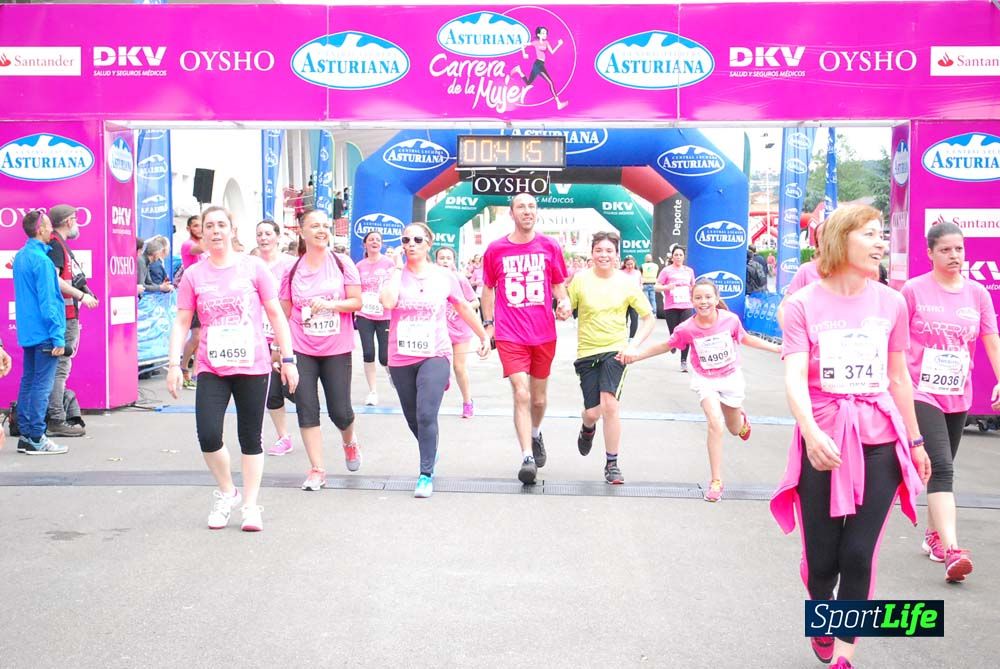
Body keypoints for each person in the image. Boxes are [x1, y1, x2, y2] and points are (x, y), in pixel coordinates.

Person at [769, 204, 930, 668]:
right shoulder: (802, 305)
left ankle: (843, 655)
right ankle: (821, 614)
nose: (882, 243)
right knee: (823, 564)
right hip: (825, 441)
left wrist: (916, 443)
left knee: (858, 554)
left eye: (883, 235)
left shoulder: (892, 301)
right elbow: (795, 377)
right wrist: (810, 432)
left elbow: (899, 378)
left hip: (880, 438)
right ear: (840, 239)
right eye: (872, 234)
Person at [167, 205, 298, 532]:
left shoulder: (253, 267)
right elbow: (182, 320)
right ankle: (227, 491)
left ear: (232, 230)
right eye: (209, 226)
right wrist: (173, 365)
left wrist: (289, 358)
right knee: (208, 434)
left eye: (221, 225)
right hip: (212, 365)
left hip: (253, 364)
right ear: (202, 233)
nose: (215, 231)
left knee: (250, 437)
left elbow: (275, 314)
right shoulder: (195, 275)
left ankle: (251, 505)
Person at [902, 221, 1000, 583]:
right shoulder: (913, 290)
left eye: (959, 249)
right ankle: (954, 550)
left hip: (958, 392)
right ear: (930, 253)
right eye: (945, 249)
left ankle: (933, 536)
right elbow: (895, 340)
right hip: (919, 389)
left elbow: (991, 337)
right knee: (942, 466)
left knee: (940, 468)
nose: (954, 255)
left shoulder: (977, 294)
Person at [621, 278, 780, 500]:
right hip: (705, 380)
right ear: (692, 300)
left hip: (731, 378)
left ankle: (741, 420)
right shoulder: (686, 328)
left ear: (716, 299)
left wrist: (778, 348)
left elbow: (747, 339)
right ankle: (716, 481)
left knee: (735, 429)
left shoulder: (730, 320)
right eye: (698, 298)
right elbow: (666, 346)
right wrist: (636, 356)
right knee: (715, 423)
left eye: (707, 297)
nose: (703, 302)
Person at [381, 223, 489, 498]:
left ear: (429, 243)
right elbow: (388, 302)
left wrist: (483, 336)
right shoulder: (395, 274)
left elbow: (463, 306)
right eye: (406, 239)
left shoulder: (444, 276)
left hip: (436, 353)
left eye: (418, 239)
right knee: (412, 416)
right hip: (401, 355)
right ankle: (430, 450)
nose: (411, 244)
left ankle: (425, 473)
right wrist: (395, 267)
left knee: (426, 413)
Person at [481, 193, 570, 485]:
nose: (527, 211)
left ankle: (535, 433)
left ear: (537, 212)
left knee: (539, 399)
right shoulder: (496, 250)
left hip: (543, 332)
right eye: (521, 206)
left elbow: (558, 285)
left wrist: (565, 302)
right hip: (510, 333)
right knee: (521, 392)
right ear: (511, 213)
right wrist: (489, 325)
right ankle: (526, 456)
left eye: (532, 206)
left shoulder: (550, 245)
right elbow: (488, 290)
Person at [279, 209, 363, 491]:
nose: (322, 230)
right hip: (302, 348)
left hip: (336, 348)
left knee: (340, 411)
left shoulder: (342, 263)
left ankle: (349, 441)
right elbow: (284, 314)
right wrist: (280, 351)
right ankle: (317, 469)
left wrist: (331, 305)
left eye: (325, 226)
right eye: (315, 226)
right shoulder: (291, 270)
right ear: (301, 231)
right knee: (306, 407)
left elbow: (356, 302)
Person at [569, 232, 655, 484]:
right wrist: (562, 309)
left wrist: (633, 346)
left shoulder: (627, 282)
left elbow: (648, 318)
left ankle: (612, 464)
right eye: (599, 250)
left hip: (616, 350)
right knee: (593, 412)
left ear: (616, 255)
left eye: (609, 251)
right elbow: (566, 308)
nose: (604, 255)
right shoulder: (580, 280)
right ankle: (587, 427)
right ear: (592, 253)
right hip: (587, 351)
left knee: (610, 405)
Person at [12, 210, 69, 455]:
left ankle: (27, 434)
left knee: (29, 381)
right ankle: (36, 435)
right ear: (41, 229)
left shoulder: (22, 256)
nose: (51, 230)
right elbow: (49, 301)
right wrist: (58, 336)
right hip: (44, 332)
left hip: (29, 332)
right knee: (41, 385)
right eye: (47, 226)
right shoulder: (42, 261)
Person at [46, 205, 99, 438]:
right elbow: (55, 280)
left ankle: (54, 415)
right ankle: (56, 418)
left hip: (65, 315)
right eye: (75, 219)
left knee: (58, 368)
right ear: (68, 221)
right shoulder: (57, 245)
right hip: (64, 316)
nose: (77, 224)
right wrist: (81, 296)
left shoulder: (59, 244)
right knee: (60, 368)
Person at [255, 220, 297, 457]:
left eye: (268, 233)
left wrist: (281, 343)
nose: (263, 238)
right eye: (259, 234)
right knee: (269, 391)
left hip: (288, 334)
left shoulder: (290, 265)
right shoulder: (250, 265)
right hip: (259, 335)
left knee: (297, 390)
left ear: (278, 237)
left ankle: (316, 428)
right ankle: (284, 436)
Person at [435, 246, 480, 418]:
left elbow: (475, 301)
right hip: (440, 330)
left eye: (448, 258)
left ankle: (468, 402)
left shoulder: (460, 279)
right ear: (435, 260)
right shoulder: (430, 279)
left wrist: (461, 308)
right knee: (439, 368)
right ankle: (443, 380)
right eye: (441, 258)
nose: (445, 261)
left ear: (453, 261)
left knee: (459, 367)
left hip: (461, 330)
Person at [355, 231, 395, 406]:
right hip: (364, 314)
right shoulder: (359, 265)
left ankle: (391, 374)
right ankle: (372, 391)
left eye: (378, 240)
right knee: (368, 352)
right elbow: (355, 288)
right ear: (365, 244)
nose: (374, 242)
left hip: (384, 314)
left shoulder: (389, 263)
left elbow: (395, 284)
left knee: (384, 357)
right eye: (371, 240)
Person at [654, 245, 695, 372]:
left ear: (684, 257)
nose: (678, 257)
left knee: (686, 332)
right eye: (676, 255)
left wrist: (692, 291)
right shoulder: (666, 271)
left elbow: (693, 286)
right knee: (674, 331)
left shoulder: (689, 271)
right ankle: (673, 341)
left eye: (680, 255)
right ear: (672, 257)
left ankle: (683, 361)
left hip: (686, 305)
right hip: (671, 305)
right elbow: (657, 286)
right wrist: (667, 287)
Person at [511, 26, 567, 110]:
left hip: (541, 64)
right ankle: (558, 103)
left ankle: (519, 71)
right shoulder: (535, 42)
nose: (545, 35)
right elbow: (523, 45)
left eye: (546, 33)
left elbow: (552, 52)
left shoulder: (546, 43)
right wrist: (524, 53)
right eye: (543, 33)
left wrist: (559, 45)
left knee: (528, 83)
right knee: (550, 83)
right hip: (538, 64)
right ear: (538, 34)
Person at [179, 215, 204, 390]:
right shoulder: (188, 245)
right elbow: (200, 248)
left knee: (202, 337)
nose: (200, 229)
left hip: (205, 294)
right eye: (196, 226)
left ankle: (196, 373)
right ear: (189, 228)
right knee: (196, 336)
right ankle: (183, 367)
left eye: (201, 225)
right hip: (191, 294)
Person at [620, 255, 643, 340]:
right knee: (623, 319)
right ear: (624, 264)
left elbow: (640, 284)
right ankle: (622, 336)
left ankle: (631, 337)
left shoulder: (637, 273)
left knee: (634, 319)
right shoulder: (621, 273)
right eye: (628, 264)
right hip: (623, 299)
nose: (630, 266)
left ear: (634, 264)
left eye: (631, 264)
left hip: (634, 299)